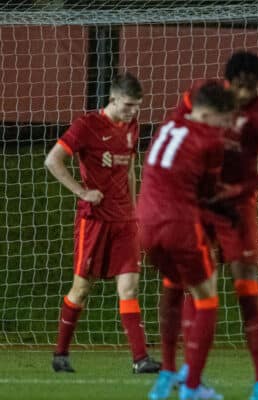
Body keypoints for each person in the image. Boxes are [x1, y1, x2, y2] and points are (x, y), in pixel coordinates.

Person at [175, 51, 258, 400]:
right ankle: (193, 376)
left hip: (238, 207)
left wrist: (237, 189)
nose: (247, 94)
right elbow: (177, 133)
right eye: (241, 86)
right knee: (199, 287)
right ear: (228, 81)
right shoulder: (203, 96)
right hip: (201, 205)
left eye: (254, 87)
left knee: (247, 288)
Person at [45, 72, 161, 373]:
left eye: (137, 106)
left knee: (130, 288)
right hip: (94, 220)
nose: (133, 112)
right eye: (127, 106)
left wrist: (136, 211)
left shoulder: (132, 127)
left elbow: (131, 168)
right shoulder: (86, 126)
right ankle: (60, 353)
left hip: (124, 221)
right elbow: (52, 160)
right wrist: (82, 191)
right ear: (112, 100)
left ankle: (140, 359)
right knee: (81, 289)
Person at [139, 80, 235, 400]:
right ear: (211, 113)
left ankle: (167, 372)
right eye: (224, 118)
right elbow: (209, 195)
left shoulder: (169, 126)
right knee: (207, 296)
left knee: (173, 285)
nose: (225, 126)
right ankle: (193, 387)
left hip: (145, 224)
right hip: (178, 223)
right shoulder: (209, 141)